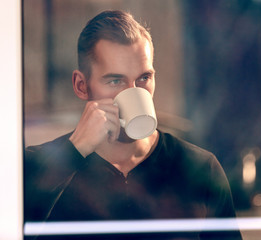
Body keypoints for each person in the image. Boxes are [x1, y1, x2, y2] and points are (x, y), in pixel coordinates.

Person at [24, 10, 242, 239]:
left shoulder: (199, 168)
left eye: (144, 78)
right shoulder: (35, 168)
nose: (133, 92)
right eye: (115, 80)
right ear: (81, 85)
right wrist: (75, 151)